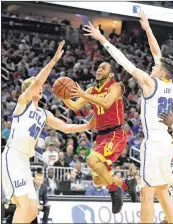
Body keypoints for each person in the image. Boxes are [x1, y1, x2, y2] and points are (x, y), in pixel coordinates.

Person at [82, 11, 173, 223]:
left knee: (146, 193)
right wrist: (147, 27)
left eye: (156, 67)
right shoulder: (169, 85)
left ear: (162, 72)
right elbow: (156, 51)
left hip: (153, 143)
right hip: (167, 142)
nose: (153, 66)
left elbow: (125, 62)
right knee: (162, 192)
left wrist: (103, 40)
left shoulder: (150, 82)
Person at [2, 41, 95, 223]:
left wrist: (87, 126)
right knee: (22, 205)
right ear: (31, 90)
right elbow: (37, 81)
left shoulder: (44, 113)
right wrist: (53, 61)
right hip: (12, 156)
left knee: (33, 209)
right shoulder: (22, 103)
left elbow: (66, 127)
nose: (41, 87)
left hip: (24, 161)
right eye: (37, 86)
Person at [63, 53, 127, 214]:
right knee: (98, 180)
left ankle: (115, 190)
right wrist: (62, 95)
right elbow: (75, 106)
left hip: (115, 134)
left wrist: (85, 94)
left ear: (111, 74)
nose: (99, 70)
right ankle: (126, 185)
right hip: (101, 136)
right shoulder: (92, 90)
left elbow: (106, 103)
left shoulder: (116, 86)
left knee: (91, 159)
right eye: (98, 67)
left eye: (103, 68)